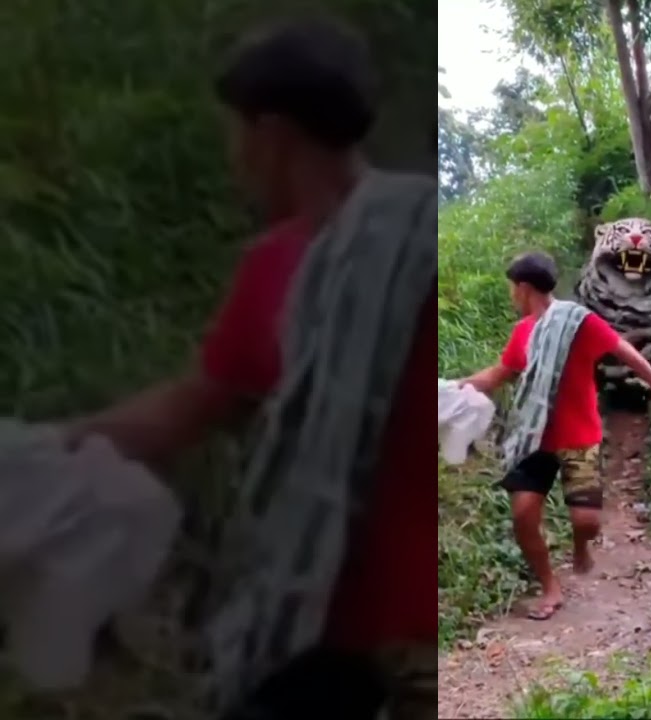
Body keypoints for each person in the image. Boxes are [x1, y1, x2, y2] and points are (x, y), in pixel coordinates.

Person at [64, 16, 436, 720]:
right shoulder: (406, 237)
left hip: (372, 633)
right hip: (339, 635)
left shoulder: (346, 256)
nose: (235, 156)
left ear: (271, 134)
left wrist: (49, 445)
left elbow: (179, 416)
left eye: (236, 133)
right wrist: (47, 446)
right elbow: (190, 407)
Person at [459, 251, 651, 621]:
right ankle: (550, 587)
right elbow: (499, 374)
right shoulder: (523, 333)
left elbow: (622, 350)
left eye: (512, 288)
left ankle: (581, 547)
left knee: (586, 521)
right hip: (534, 438)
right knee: (523, 515)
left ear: (523, 288)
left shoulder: (578, 322)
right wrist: (451, 388)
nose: (512, 295)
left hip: (578, 437)